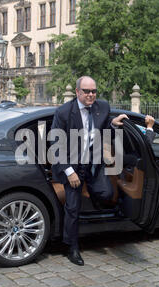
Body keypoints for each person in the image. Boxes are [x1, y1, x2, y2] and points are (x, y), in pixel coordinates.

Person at [51, 76, 128, 266]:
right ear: (77, 92)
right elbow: (56, 144)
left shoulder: (102, 107)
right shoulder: (63, 112)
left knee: (107, 193)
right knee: (73, 208)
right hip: (71, 164)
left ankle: (93, 195)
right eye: (86, 91)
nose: (91, 95)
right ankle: (72, 248)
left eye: (93, 91)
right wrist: (69, 172)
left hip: (92, 163)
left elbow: (102, 127)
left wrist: (112, 124)